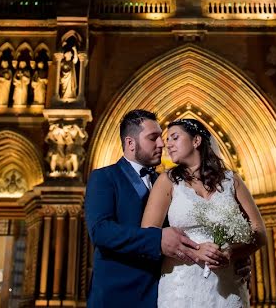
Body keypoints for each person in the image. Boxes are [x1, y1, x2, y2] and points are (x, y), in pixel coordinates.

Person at [85, 110, 207, 308]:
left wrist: (227, 258)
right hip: (116, 296)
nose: (162, 144)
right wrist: (156, 239)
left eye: (161, 137)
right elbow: (101, 231)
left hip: (163, 293)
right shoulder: (104, 177)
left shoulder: (169, 182)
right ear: (130, 143)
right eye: (153, 138)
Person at [141, 118, 266, 307]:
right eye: (167, 140)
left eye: (174, 138)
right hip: (181, 286)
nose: (168, 145)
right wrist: (196, 252)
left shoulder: (232, 181)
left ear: (196, 141)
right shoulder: (167, 182)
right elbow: (148, 234)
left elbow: (259, 232)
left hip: (227, 285)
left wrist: (232, 252)